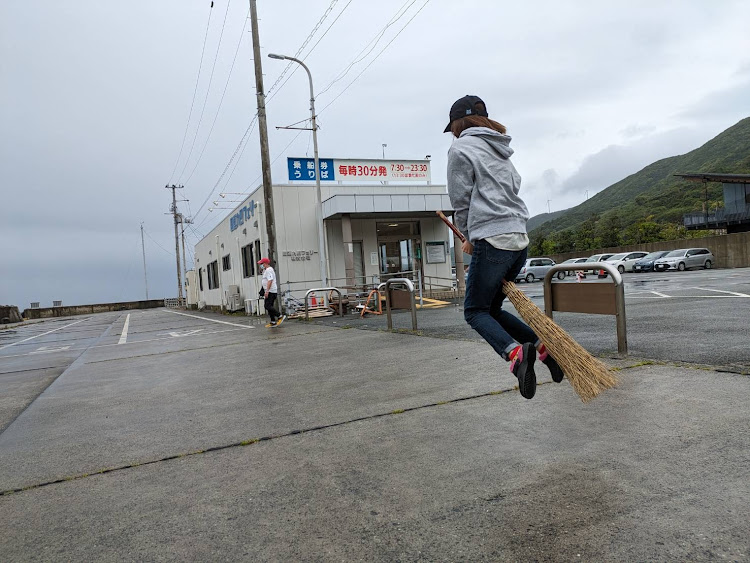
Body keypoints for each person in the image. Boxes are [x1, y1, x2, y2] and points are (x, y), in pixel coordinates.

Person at [444, 95, 563, 399]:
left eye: (453, 126)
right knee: (491, 309)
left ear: (459, 123)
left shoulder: (460, 148)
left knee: (474, 312)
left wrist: (469, 236)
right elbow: (513, 186)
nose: (453, 132)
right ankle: (542, 348)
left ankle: (515, 355)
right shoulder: (501, 149)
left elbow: (460, 199)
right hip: (518, 239)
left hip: (492, 240)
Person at [257, 257, 285, 326]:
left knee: (267, 306)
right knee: (269, 306)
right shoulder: (266, 270)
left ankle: (279, 316)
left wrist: (267, 291)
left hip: (271, 291)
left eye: (261, 263)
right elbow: (265, 281)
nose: (260, 265)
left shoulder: (269, 270)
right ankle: (273, 321)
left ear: (265, 263)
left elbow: (270, 280)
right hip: (269, 291)